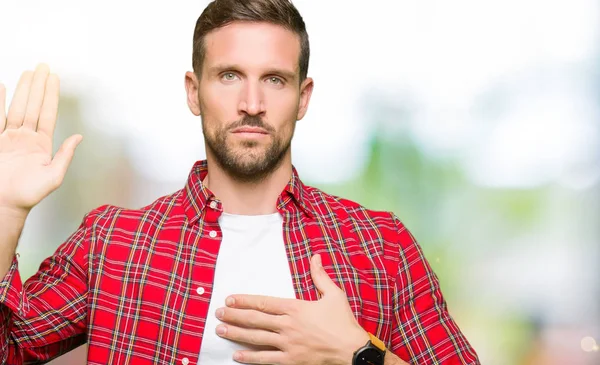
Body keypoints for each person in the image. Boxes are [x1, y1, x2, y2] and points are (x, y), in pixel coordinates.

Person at [0, 0, 480, 364]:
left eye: (274, 79)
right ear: (194, 92)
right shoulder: (113, 242)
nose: (252, 102)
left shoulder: (381, 245)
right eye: (230, 76)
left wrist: (359, 353)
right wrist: (4, 211)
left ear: (303, 96)